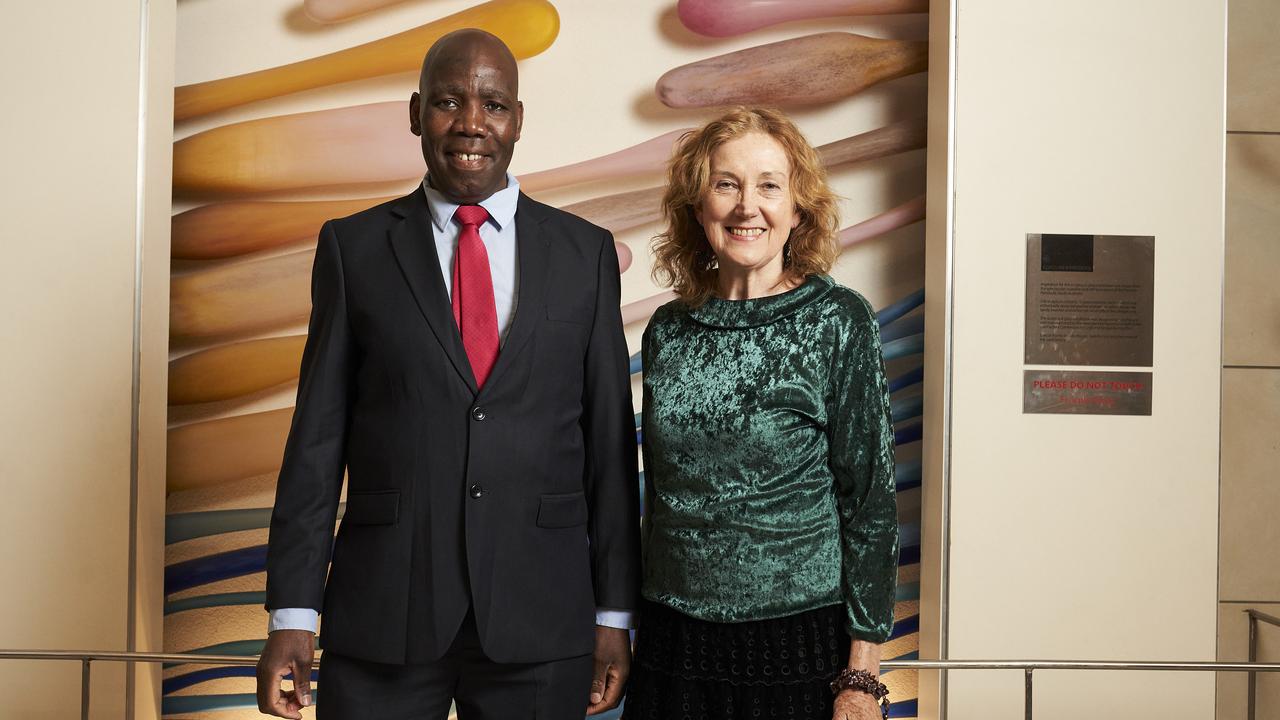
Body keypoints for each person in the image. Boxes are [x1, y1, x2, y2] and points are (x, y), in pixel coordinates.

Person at [254, 29, 640, 720]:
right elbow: (316, 442)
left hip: (541, 618)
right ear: (413, 114)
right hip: (386, 615)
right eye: (447, 102)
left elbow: (609, 450)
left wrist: (615, 612)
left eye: (492, 104)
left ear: (518, 120)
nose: (470, 123)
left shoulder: (585, 255)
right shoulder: (354, 249)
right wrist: (292, 611)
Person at [625, 108, 899, 720]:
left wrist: (862, 676)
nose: (748, 205)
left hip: (798, 649)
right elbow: (662, 497)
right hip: (673, 644)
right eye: (727, 184)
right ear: (698, 208)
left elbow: (870, 504)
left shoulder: (838, 321)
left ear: (798, 208)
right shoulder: (669, 331)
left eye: (769, 185)